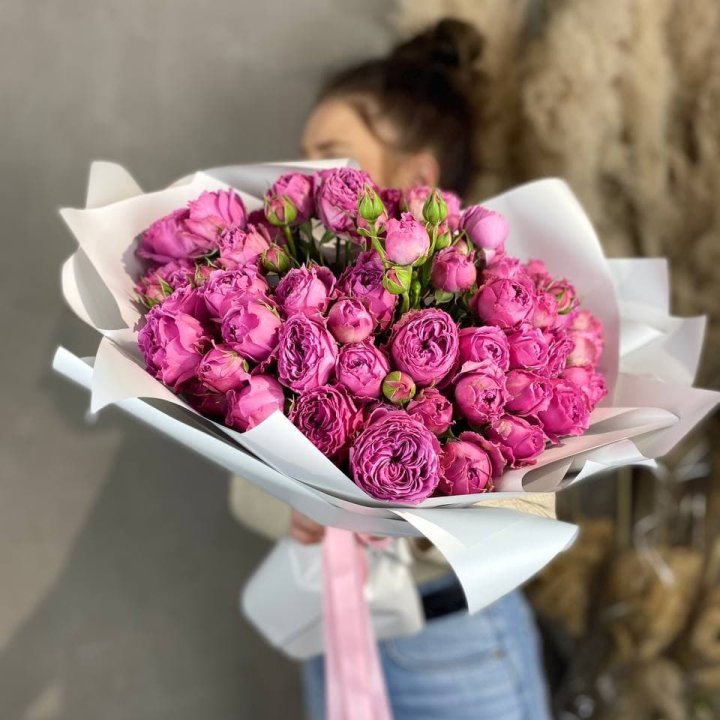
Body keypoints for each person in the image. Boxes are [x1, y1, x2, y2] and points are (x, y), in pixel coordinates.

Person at [232, 18, 554, 720]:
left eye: (330, 156)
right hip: (333, 626)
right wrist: (301, 506)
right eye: (302, 157)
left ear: (418, 178)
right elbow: (241, 489)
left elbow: (538, 503)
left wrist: (404, 507)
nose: (304, 178)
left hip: (454, 642)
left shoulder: (496, 312)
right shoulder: (285, 312)